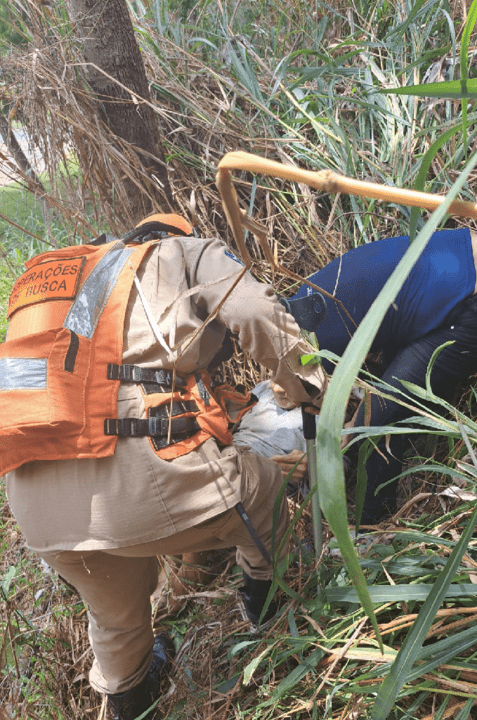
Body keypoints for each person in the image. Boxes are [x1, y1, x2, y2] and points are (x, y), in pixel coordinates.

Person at [0, 213, 325, 720]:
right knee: (260, 490)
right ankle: (272, 618)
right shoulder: (182, 253)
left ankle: (129, 699)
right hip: (139, 486)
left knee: (116, 619)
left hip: (36, 510)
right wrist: (309, 386)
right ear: (175, 235)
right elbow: (259, 315)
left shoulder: (68, 284)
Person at [287, 226, 477, 524]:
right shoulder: (304, 299)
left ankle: (372, 528)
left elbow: (355, 413)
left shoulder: (316, 348)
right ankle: (383, 501)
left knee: (378, 418)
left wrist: (327, 452)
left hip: (468, 301)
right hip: (453, 257)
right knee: (383, 402)